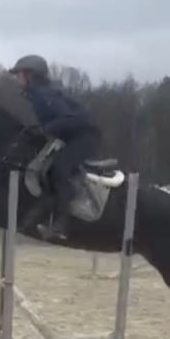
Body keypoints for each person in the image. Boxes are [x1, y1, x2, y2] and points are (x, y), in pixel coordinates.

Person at [8, 54, 102, 239]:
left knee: (59, 169)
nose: (18, 79)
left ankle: (62, 223)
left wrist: (44, 130)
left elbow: (70, 119)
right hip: (71, 136)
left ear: (30, 75)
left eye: (20, 74)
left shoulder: (44, 95)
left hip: (85, 136)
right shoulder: (38, 94)